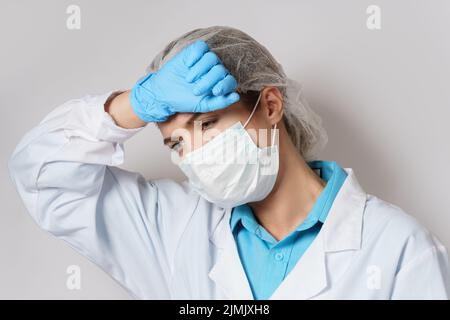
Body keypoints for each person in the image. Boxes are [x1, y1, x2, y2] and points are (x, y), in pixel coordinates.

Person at [9, 26, 450, 299]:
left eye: (207, 123)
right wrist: (136, 104)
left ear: (271, 106)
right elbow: (42, 174)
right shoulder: (170, 229)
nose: (195, 152)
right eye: (176, 143)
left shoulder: (398, 251)